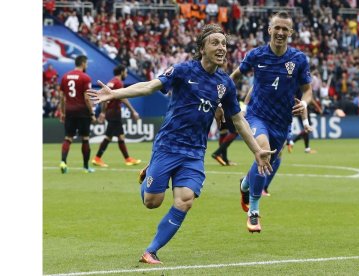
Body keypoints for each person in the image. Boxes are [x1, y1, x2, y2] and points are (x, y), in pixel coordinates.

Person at [87, 24, 276, 265]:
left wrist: (258, 150)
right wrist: (115, 94)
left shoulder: (225, 84)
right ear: (202, 48)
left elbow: (238, 120)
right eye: (215, 43)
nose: (222, 48)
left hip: (195, 152)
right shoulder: (182, 71)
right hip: (168, 145)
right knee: (152, 202)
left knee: (185, 199)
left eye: (224, 44)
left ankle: (151, 251)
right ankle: (149, 176)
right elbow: (149, 86)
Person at [229, 11, 313, 233]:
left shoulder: (299, 60)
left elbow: (307, 92)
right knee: (263, 151)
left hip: (282, 123)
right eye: (277, 27)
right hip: (256, 116)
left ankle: (245, 184)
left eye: (285, 29)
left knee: (266, 163)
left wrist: (304, 104)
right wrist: (220, 94)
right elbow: (235, 76)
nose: (280, 32)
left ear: (291, 32)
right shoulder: (256, 55)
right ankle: (254, 211)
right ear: (269, 30)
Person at [92, 65, 142, 168]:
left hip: (110, 112)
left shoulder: (111, 82)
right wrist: (133, 111)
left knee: (113, 136)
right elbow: (123, 97)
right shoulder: (118, 83)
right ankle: (125, 159)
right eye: (126, 72)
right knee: (118, 136)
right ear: (122, 72)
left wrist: (103, 112)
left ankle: (99, 158)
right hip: (114, 112)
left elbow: (105, 99)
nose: (126, 74)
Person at [59, 55, 96, 174]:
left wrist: (63, 112)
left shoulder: (65, 77)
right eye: (87, 63)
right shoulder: (85, 77)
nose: (87, 66)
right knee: (85, 138)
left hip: (69, 111)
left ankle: (63, 162)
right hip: (82, 112)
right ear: (83, 63)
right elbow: (86, 97)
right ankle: (85, 167)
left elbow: (62, 97)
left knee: (68, 138)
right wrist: (92, 112)